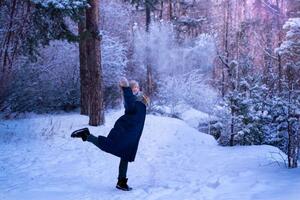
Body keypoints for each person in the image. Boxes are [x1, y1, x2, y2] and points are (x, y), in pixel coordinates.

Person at [71, 77, 149, 191]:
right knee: (110, 146)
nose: (135, 89)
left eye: (136, 87)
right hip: (126, 133)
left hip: (132, 135)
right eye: (132, 88)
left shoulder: (140, 102)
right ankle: (87, 135)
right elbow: (129, 102)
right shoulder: (133, 102)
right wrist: (126, 88)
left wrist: (142, 98)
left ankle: (121, 182)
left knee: (125, 156)